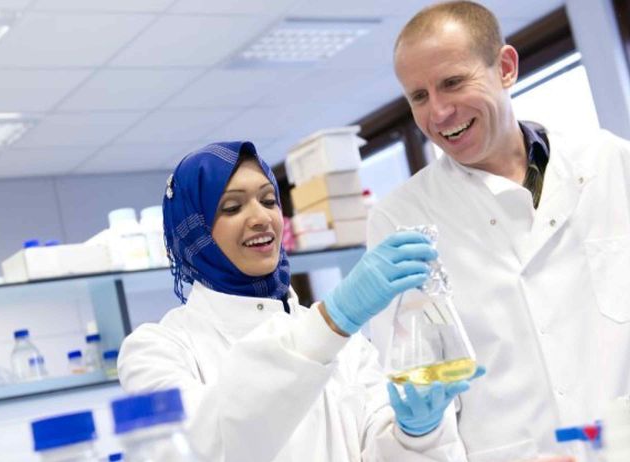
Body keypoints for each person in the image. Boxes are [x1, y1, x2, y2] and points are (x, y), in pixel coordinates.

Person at [367, 1, 630, 461]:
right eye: (419, 96)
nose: (440, 112)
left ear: (505, 67)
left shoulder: (613, 164)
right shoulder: (400, 220)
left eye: (452, 82)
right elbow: (425, 409)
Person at [118, 141, 481, 462]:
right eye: (231, 208)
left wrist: (417, 435)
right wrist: (332, 319)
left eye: (268, 199)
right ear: (194, 230)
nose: (261, 218)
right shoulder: (155, 349)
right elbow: (203, 447)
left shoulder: (347, 344)